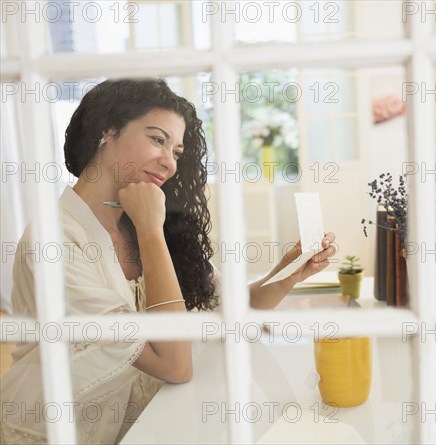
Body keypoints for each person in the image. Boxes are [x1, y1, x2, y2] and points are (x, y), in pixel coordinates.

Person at [0, 78, 336, 444]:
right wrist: (150, 229)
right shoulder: (56, 240)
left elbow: (233, 309)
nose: (170, 164)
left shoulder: (139, 220)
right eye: (157, 139)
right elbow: (174, 364)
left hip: (139, 425)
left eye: (177, 151)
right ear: (106, 130)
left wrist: (286, 274)